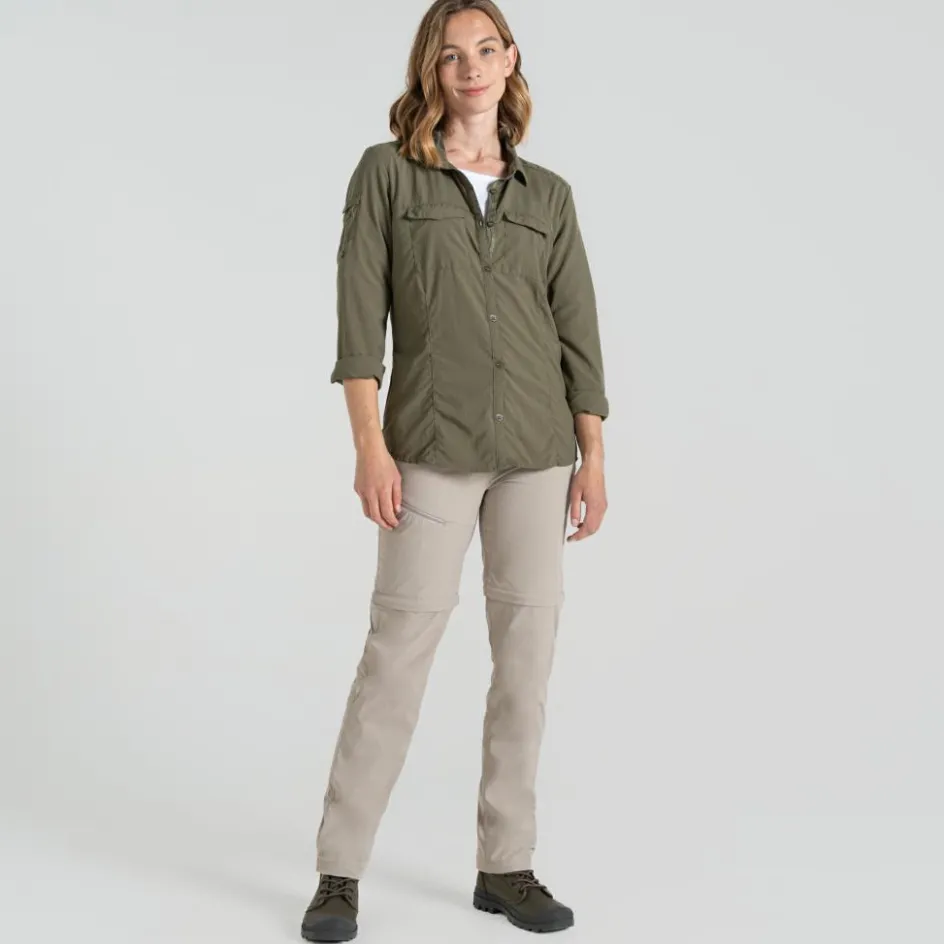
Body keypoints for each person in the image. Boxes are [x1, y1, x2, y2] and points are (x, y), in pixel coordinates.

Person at [301, 0, 609, 939]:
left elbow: (578, 332)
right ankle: (339, 873)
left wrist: (593, 455)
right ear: (428, 72)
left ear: (510, 59)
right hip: (428, 451)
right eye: (449, 56)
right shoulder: (387, 174)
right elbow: (360, 325)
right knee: (396, 656)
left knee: (526, 664)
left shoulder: (548, 197)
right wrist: (369, 447)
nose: (469, 68)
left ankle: (505, 866)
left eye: (484, 49)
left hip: (538, 458)